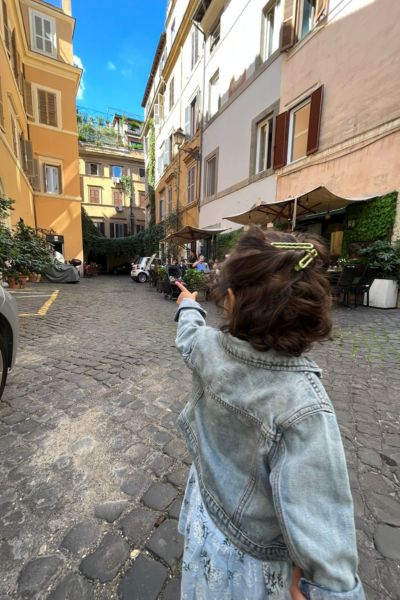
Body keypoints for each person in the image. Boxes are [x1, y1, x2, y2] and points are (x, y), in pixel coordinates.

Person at [174, 227, 365, 600]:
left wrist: (188, 306)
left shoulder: (209, 348)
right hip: (252, 554)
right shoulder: (303, 404)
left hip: (209, 514)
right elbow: (323, 523)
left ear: (230, 299)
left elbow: (189, 335)